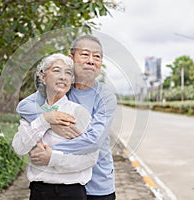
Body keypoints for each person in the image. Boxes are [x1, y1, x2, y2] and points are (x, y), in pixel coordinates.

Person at [17, 35, 117, 200]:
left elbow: (94, 140)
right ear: (71, 58)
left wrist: (53, 155)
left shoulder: (105, 96)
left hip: (97, 186)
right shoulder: (61, 87)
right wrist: (50, 120)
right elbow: (24, 106)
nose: (91, 61)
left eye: (97, 56)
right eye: (85, 54)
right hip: (63, 183)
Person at [12, 53, 99, 200]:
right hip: (39, 192)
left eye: (68, 73)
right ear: (43, 77)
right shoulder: (32, 112)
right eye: (57, 70)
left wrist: (52, 158)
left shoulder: (79, 112)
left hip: (72, 193)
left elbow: (90, 158)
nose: (63, 77)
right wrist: (45, 120)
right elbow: (19, 148)